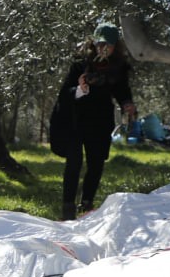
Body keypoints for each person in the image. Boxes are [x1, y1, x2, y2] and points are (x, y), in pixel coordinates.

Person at [53, 23, 136, 220]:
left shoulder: (119, 66)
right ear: (93, 44)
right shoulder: (80, 63)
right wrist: (81, 89)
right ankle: (68, 209)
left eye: (108, 45)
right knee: (74, 162)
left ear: (116, 46)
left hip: (100, 121)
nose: (103, 49)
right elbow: (65, 92)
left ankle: (87, 205)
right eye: (100, 44)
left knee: (96, 163)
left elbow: (122, 89)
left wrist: (127, 103)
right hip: (76, 119)